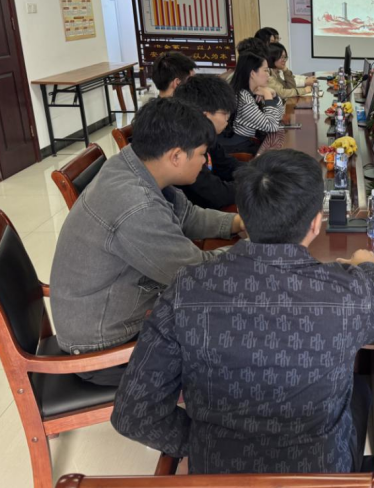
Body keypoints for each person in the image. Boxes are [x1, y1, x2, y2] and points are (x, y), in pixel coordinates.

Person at [111, 149, 374, 474]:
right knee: (360, 391)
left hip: (217, 473)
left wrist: (204, 442)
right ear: (316, 223)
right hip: (318, 473)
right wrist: (367, 267)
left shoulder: (186, 288)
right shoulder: (346, 292)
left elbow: (135, 415)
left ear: (244, 221)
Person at [50, 98, 246, 386]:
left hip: (118, 310)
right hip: (105, 346)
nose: (205, 162)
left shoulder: (136, 164)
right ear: (176, 156)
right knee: (238, 339)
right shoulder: (136, 204)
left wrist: (237, 223)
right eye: (202, 154)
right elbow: (195, 274)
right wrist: (251, 252)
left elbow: (186, 215)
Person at [172, 75, 244, 210]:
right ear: (204, 116)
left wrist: (259, 173)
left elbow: (227, 165)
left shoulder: (206, 137)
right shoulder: (186, 147)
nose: (227, 118)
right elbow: (216, 194)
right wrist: (257, 184)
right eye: (224, 113)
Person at [218, 51, 286, 155]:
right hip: (237, 148)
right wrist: (268, 96)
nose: (268, 75)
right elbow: (272, 126)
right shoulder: (243, 98)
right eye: (265, 70)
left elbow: (279, 115)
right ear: (253, 73)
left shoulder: (253, 92)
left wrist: (274, 95)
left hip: (246, 143)